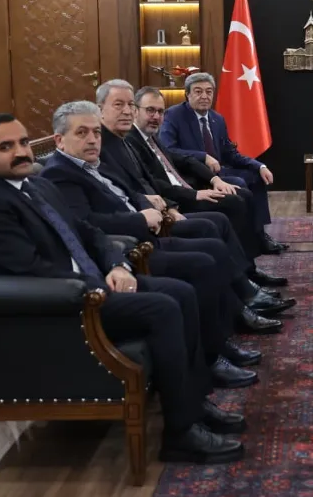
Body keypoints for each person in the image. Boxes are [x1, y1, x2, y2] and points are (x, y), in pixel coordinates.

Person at [0, 113, 246, 463]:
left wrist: (116, 265)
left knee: (182, 293)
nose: (21, 152)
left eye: (23, 142)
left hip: (95, 281)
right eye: (6, 147)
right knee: (164, 308)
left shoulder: (35, 185)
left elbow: (88, 232)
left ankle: (194, 404)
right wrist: (96, 285)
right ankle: (180, 433)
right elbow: (30, 270)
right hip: (64, 303)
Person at [40, 101, 288, 338]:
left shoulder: (98, 159)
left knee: (220, 225)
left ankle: (243, 296)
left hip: (153, 222)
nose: (93, 139)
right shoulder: (65, 171)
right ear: (59, 140)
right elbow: (88, 224)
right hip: (134, 245)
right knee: (208, 244)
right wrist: (147, 215)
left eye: (96, 132)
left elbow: (135, 189)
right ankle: (236, 316)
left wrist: (159, 205)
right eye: (82, 132)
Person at [126, 86, 285, 288]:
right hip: (176, 199)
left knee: (242, 194)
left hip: (190, 186)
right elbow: (152, 183)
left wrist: (214, 180)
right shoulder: (132, 140)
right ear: (135, 110)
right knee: (234, 202)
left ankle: (250, 267)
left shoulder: (152, 137)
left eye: (159, 111)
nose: (156, 116)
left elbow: (183, 159)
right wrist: (194, 194)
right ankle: (245, 275)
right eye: (150, 110)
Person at [159, 72, 285, 254]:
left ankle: (259, 234)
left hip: (219, 172)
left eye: (209, 92)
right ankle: (244, 240)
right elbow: (168, 150)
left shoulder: (217, 119)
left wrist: (260, 166)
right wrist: (202, 156)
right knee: (239, 183)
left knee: (256, 177)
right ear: (187, 94)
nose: (204, 96)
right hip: (192, 175)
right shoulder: (174, 115)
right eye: (198, 91)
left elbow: (230, 154)